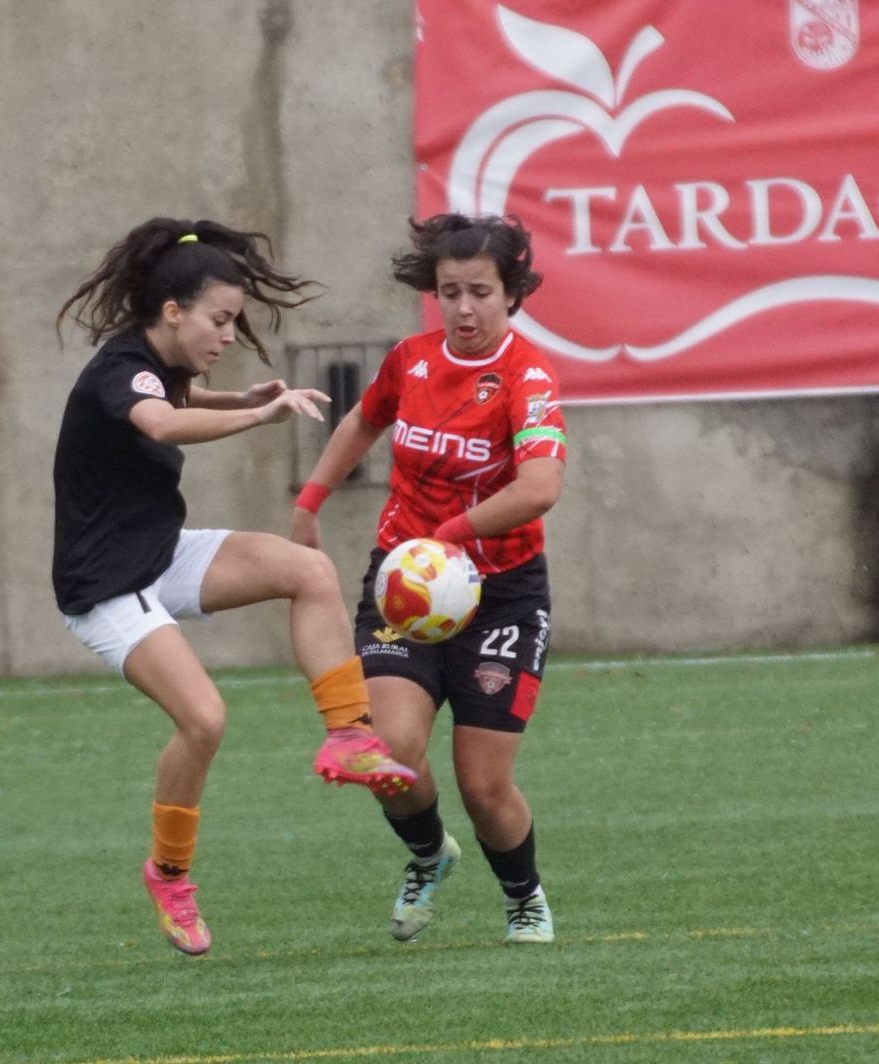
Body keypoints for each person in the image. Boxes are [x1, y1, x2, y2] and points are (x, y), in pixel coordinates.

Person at [53, 217, 418, 956]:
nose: (227, 333)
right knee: (205, 721)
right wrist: (259, 412)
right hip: (103, 586)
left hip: (156, 554)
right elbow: (158, 423)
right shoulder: (121, 370)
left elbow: (177, 400)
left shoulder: (159, 362)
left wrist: (233, 396)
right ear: (171, 312)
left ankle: (349, 736)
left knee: (307, 569)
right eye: (220, 319)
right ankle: (169, 874)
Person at [290, 213, 567, 945]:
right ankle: (425, 856)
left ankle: (524, 896)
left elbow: (540, 486)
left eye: (480, 291)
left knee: (482, 783)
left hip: (501, 594)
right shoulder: (411, 360)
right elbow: (360, 421)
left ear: (512, 294)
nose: (464, 308)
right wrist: (310, 501)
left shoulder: (527, 376)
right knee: (390, 754)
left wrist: (448, 537)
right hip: (404, 588)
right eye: (450, 292)